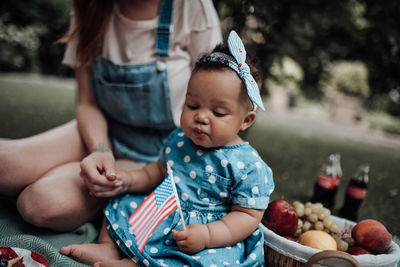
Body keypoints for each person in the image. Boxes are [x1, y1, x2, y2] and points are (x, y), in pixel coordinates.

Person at [0, 0, 222, 231]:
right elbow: (88, 104)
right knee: (5, 164)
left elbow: (219, 100)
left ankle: (106, 201)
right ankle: (77, 173)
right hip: (100, 131)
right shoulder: (90, 6)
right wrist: (100, 150)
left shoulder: (192, 7)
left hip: (159, 157)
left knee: (37, 203)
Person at [60, 31, 275, 267]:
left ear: (246, 120)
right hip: (164, 209)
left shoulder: (249, 165)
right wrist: (129, 180)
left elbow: (247, 216)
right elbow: (159, 171)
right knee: (123, 203)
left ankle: (135, 264)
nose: (201, 117)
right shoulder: (180, 139)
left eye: (218, 112)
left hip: (210, 234)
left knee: (195, 261)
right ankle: (109, 249)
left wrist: (209, 235)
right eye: (192, 105)